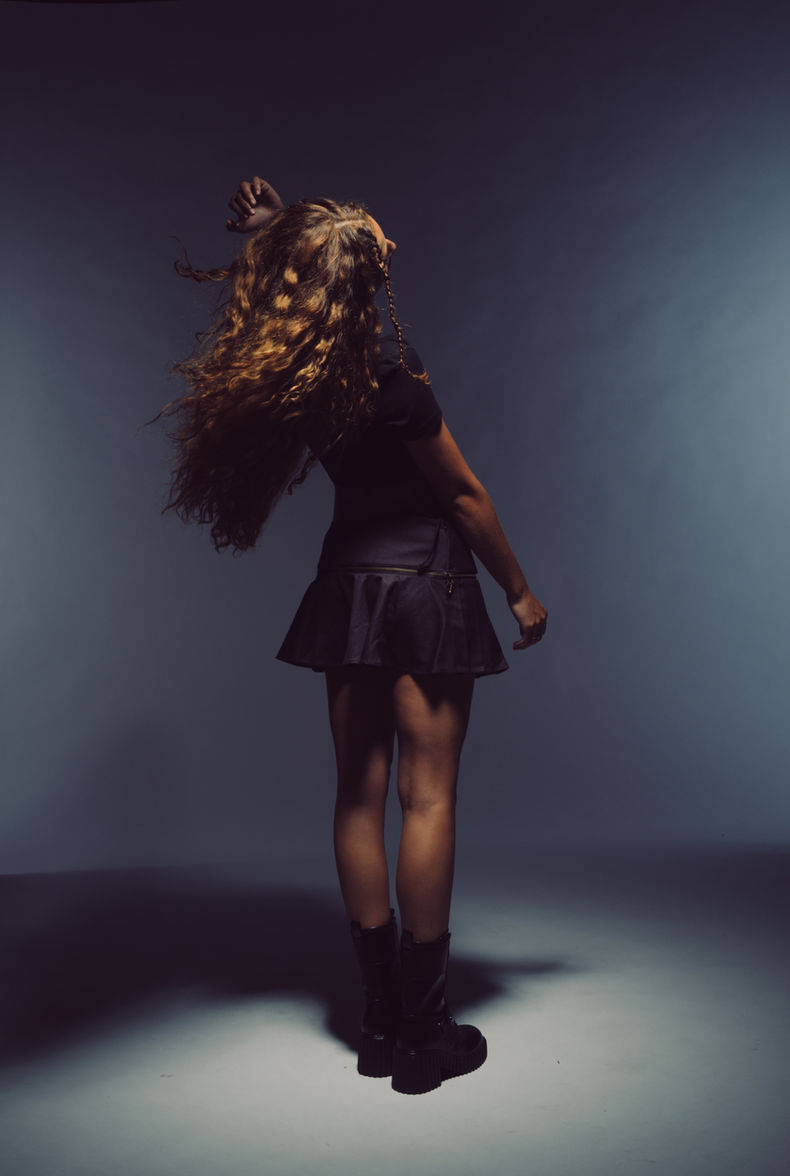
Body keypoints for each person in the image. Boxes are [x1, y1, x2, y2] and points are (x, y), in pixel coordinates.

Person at [146, 175, 548, 1095]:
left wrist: (271, 231)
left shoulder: (305, 373)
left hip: (348, 589)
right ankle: (425, 1036)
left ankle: (377, 1025)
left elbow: (312, 274)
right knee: (428, 800)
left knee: (356, 799)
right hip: (427, 589)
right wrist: (520, 592)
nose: (386, 236)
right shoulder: (395, 383)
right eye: (374, 237)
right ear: (362, 272)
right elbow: (463, 497)